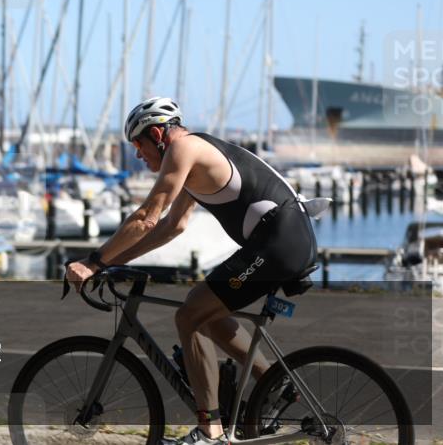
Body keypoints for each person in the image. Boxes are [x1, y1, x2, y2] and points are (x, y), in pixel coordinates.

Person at [66, 97, 318, 445]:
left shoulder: (183, 149)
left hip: (278, 243)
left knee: (189, 315)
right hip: (283, 239)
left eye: (138, 145)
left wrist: (93, 261)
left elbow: (145, 217)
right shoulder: (193, 154)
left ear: (156, 133)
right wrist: (116, 261)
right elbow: (172, 227)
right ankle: (274, 385)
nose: (138, 155)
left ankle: (210, 430)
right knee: (208, 314)